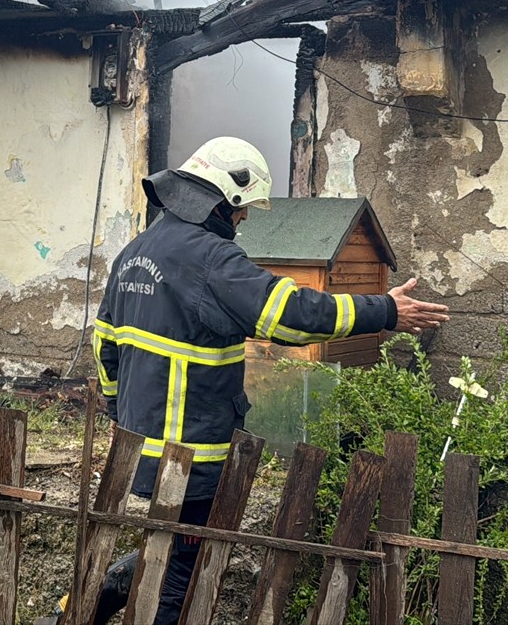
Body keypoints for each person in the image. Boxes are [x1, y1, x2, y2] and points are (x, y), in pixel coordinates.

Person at [93, 137, 450, 625]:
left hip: (143, 448)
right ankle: (102, 600)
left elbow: (104, 348)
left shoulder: (134, 253)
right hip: (191, 457)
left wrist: (122, 417)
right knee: (181, 573)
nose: (242, 221)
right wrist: (385, 309)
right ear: (227, 198)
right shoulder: (210, 259)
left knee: (168, 547)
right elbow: (294, 316)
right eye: (243, 211)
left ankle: (88, 604)